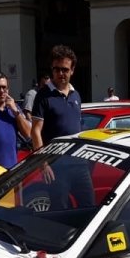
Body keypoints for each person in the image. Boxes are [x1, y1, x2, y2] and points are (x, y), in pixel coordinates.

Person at [30, 45, 92, 209]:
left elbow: (78, 128)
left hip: (79, 163)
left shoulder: (76, 95)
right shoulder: (43, 96)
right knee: (60, 210)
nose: (60, 73)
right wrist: (43, 163)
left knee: (89, 207)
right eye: (56, 69)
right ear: (52, 69)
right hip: (56, 166)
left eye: (65, 69)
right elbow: (35, 130)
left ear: (72, 70)